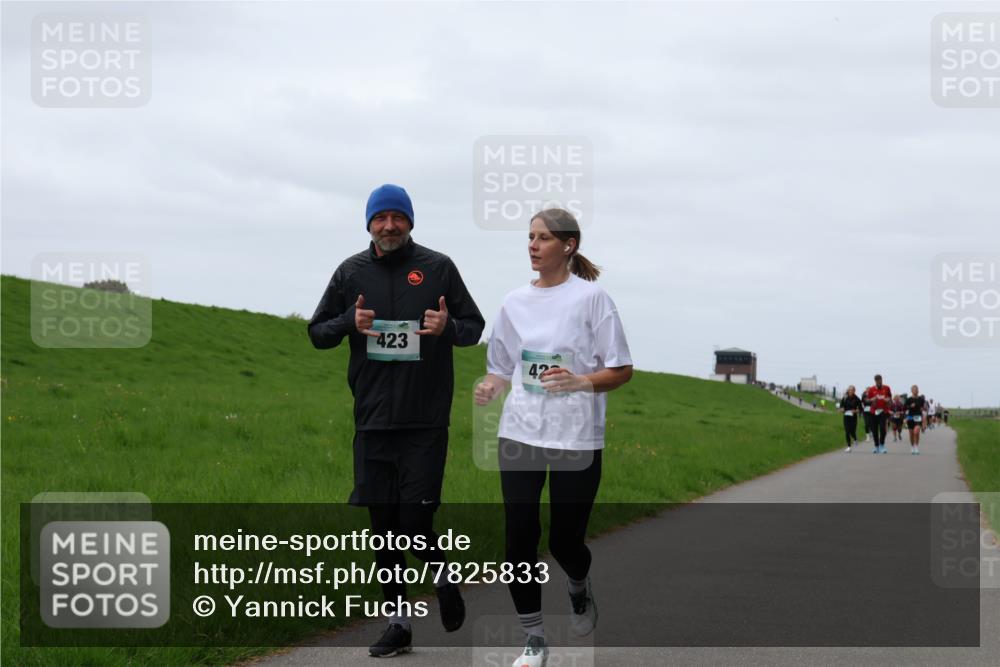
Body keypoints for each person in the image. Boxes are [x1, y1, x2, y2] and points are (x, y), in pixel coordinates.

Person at [308, 184, 486, 657]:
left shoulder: (438, 268)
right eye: (380, 218)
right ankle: (399, 623)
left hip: (424, 419)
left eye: (397, 217)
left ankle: (443, 579)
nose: (389, 226)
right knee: (383, 528)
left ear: (410, 221)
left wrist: (448, 328)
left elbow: (473, 327)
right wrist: (349, 322)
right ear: (369, 224)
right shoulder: (350, 272)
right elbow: (317, 333)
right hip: (372, 421)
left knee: (414, 521)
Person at [474, 209, 633, 667]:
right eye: (529, 237)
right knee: (519, 537)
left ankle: (578, 585)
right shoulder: (513, 302)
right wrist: (491, 386)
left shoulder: (593, 299)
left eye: (542, 238)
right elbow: (501, 366)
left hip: (576, 437)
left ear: (569, 245)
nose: (532, 245)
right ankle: (534, 639)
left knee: (565, 541)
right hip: (520, 432)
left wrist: (580, 381)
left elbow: (621, 369)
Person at [863, 374, 892, 454]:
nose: (879, 382)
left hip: (883, 411)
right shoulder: (871, 389)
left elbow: (890, 398)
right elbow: (867, 400)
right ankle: (876, 446)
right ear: (875, 381)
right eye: (877, 381)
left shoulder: (887, 388)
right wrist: (872, 399)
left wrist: (887, 400)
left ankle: (882, 445)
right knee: (874, 430)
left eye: (880, 380)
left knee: (883, 429)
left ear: (882, 380)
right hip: (873, 412)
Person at [839, 385, 863, 452]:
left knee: (852, 430)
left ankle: (855, 439)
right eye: (849, 390)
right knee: (847, 431)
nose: (850, 391)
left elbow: (861, 409)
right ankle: (849, 446)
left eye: (852, 390)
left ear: (854, 391)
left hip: (853, 417)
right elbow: (841, 407)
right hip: (846, 416)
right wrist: (842, 409)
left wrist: (855, 411)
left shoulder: (857, 399)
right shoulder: (844, 398)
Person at [904, 385, 926, 454]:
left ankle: (916, 446)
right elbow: (905, 408)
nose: (915, 391)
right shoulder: (909, 399)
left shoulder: (921, 399)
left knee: (916, 432)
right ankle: (912, 446)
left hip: (918, 417)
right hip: (910, 417)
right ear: (911, 391)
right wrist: (910, 406)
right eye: (914, 389)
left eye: (916, 389)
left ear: (918, 390)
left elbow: (923, 409)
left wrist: (924, 421)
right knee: (911, 434)